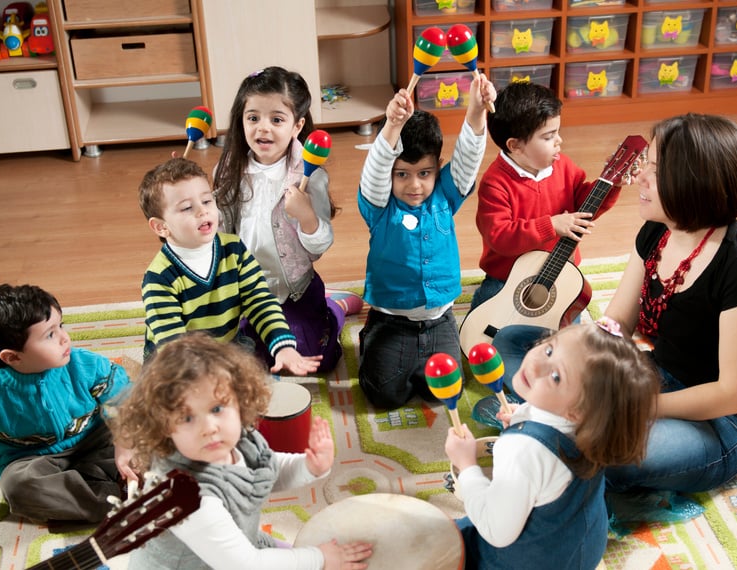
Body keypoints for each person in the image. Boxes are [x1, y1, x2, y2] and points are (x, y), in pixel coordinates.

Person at [601, 113, 737, 495]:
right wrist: (585, 362)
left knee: (610, 458)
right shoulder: (658, 229)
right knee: (523, 343)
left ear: (692, 181)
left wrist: (643, 407)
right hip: (663, 374)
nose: (638, 177)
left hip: (729, 422)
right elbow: (620, 319)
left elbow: (735, 393)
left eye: (654, 169)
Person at [111, 332, 373, 570]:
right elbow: (247, 564)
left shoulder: (239, 443)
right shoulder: (184, 496)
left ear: (240, 400)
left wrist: (309, 466)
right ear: (164, 427)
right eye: (187, 418)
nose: (209, 428)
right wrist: (320, 558)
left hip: (233, 551)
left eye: (216, 409)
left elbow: (264, 472)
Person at [445, 319, 660, 569]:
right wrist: (521, 417)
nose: (536, 364)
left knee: (442, 537)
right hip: (579, 550)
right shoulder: (594, 428)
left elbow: (496, 531)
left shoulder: (521, 451)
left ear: (577, 412)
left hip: (525, 561)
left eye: (556, 377)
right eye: (549, 349)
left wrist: (467, 466)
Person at [357, 73, 496, 409]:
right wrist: (391, 126)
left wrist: (476, 111)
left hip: (440, 320)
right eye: (402, 174)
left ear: (438, 169)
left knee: (447, 392)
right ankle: (371, 340)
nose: (414, 185)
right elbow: (375, 171)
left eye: (424, 173)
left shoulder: (445, 197)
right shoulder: (380, 206)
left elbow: (468, 156)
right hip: (391, 322)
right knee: (383, 395)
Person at [213, 66, 359, 374]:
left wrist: (306, 214)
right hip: (246, 289)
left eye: (276, 119)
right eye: (253, 118)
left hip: (293, 290)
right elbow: (219, 230)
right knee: (240, 360)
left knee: (316, 360)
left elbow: (318, 246)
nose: (262, 129)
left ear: (297, 126)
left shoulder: (309, 174)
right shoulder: (227, 170)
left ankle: (335, 307)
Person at [139, 157, 319, 376]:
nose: (202, 212)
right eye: (187, 208)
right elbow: (173, 345)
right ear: (161, 227)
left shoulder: (233, 249)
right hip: (174, 362)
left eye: (207, 201)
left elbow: (259, 301)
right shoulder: (159, 278)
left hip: (226, 346)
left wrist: (283, 347)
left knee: (256, 389)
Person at [470, 81, 623, 312]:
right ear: (516, 146)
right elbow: (500, 237)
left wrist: (611, 185)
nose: (559, 141)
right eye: (549, 136)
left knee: (570, 324)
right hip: (507, 276)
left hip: (559, 269)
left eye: (557, 132)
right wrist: (550, 225)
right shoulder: (495, 183)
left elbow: (584, 209)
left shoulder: (564, 167)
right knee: (483, 322)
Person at [0, 283, 131, 523]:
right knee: (18, 487)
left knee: (154, 440)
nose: (64, 338)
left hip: (96, 440)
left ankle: (99, 480)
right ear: (13, 357)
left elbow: (124, 400)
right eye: (50, 334)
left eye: (60, 326)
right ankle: (112, 499)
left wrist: (125, 444)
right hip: (32, 459)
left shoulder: (86, 365)